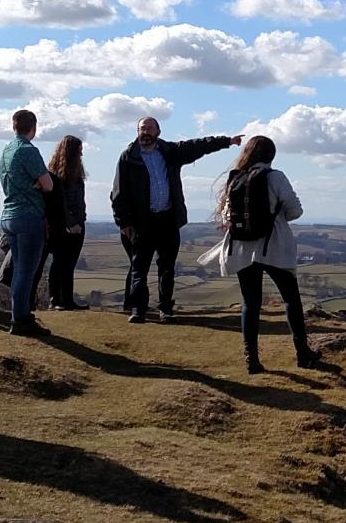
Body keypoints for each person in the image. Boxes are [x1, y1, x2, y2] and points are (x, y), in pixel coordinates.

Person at [110, 117, 241, 324]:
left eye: (149, 128)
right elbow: (118, 193)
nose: (145, 132)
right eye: (142, 128)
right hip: (141, 223)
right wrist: (123, 222)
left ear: (158, 132)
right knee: (139, 268)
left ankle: (166, 309)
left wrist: (226, 141)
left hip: (168, 220)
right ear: (137, 131)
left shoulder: (170, 152)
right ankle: (138, 309)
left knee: (167, 268)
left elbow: (197, 146)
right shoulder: (128, 157)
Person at [207, 135, 316, 373]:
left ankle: (252, 360)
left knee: (251, 303)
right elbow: (295, 210)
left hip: (242, 249)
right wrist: (274, 216)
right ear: (271, 155)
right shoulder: (275, 177)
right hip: (274, 245)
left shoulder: (236, 178)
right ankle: (303, 354)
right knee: (291, 299)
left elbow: (227, 216)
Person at [0, 109, 53, 336]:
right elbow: (48, 184)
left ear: (14, 126)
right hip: (29, 215)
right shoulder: (28, 150)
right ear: (34, 127)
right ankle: (20, 320)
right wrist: (40, 184)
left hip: (9, 214)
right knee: (25, 272)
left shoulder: (7, 150)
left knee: (20, 268)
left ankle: (19, 315)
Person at [43, 135, 87, 310]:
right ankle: (56, 299)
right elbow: (60, 203)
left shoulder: (75, 175)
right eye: (79, 152)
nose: (81, 155)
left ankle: (67, 299)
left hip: (77, 222)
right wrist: (71, 223)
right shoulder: (57, 177)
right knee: (61, 262)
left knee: (69, 264)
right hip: (63, 226)